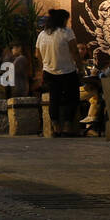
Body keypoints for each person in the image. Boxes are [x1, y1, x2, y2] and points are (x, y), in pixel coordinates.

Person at [36, 8, 82, 137]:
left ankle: (56, 127)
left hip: (49, 71)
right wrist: (81, 67)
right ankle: (67, 126)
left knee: (54, 99)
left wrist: (44, 65)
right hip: (67, 71)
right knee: (72, 98)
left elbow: (37, 54)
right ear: (62, 19)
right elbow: (75, 51)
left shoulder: (42, 34)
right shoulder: (67, 32)